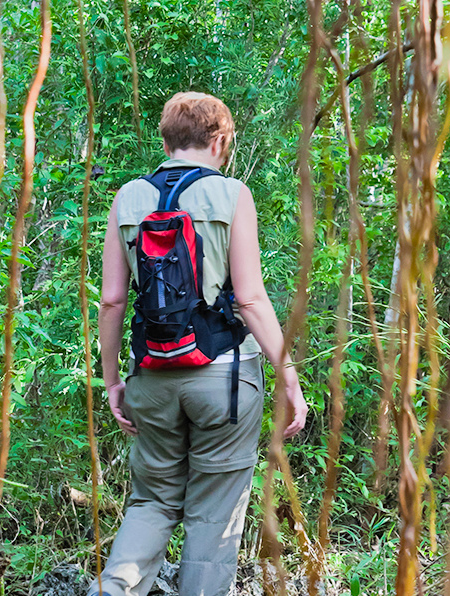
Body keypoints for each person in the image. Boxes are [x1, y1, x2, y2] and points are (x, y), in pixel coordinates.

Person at [94, 92, 308, 596]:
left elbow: (111, 302)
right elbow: (251, 300)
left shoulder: (128, 197)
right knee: (213, 519)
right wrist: (290, 379)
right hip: (226, 378)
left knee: (152, 503)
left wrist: (112, 382)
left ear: (166, 141)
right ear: (220, 140)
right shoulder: (232, 194)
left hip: (151, 376)